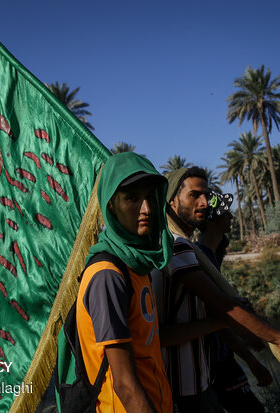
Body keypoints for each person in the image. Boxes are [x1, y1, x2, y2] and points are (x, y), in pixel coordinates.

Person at [151, 167, 280, 413]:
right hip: (180, 389)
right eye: (194, 195)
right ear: (172, 202)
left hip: (200, 383)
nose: (204, 203)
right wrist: (276, 336)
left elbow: (218, 315)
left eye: (207, 196)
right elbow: (223, 307)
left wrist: (257, 333)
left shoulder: (187, 247)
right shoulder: (175, 245)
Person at [76, 152, 174, 413]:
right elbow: (125, 384)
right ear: (110, 205)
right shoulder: (108, 274)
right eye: (131, 198)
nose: (146, 209)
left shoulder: (137, 265)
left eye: (149, 197)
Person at [196, 192, 270, 413]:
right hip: (216, 361)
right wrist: (252, 361)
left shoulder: (209, 256)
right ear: (212, 220)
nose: (230, 216)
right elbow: (219, 318)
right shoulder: (201, 258)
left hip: (218, 358)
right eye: (225, 212)